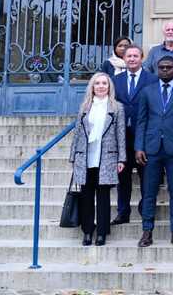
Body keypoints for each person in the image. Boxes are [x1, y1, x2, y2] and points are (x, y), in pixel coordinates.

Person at [135, 56, 173, 248]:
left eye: (169, 67)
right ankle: (147, 232)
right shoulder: (147, 91)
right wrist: (139, 147)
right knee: (149, 192)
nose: (165, 70)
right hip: (151, 149)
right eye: (162, 67)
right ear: (157, 69)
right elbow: (141, 122)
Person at [69, 72, 126, 246]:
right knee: (86, 195)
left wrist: (121, 159)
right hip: (85, 157)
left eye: (104, 83)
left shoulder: (116, 107)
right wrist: (73, 156)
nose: (101, 86)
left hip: (106, 157)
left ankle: (101, 232)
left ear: (109, 87)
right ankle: (87, 230)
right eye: (97, 83)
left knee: (103, 196)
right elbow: (77, 132)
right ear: (92, 87)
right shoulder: (85, 107)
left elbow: (120, 134)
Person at [111, 45, 158, 225]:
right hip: (122, 137)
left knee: (146, 176)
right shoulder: (115, 80)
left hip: (145, 136)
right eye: (128, 56)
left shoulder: (152, 79)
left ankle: (145, 210)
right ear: (124, 58)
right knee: (123, 178)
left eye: (135, 56)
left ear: (142, 58)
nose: (131, 59)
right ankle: (123, 212)